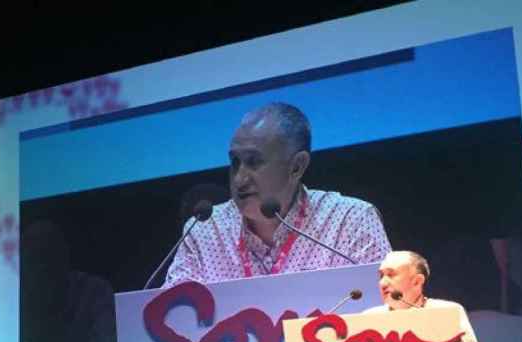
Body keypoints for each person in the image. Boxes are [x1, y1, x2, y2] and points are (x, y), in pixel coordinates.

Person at [164, 102, 391, 287]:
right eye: (235, 162)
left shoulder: (350, 221)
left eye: (254, 162)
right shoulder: (206, 230)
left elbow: (390, 309)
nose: (240, 178)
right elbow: (172, 317)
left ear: (297, 167)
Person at [365, 251, 484, 342]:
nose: (383, 283)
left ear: (417, 281)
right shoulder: (369, 318)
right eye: (381, 275)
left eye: (391, 274)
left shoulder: (446, 311)